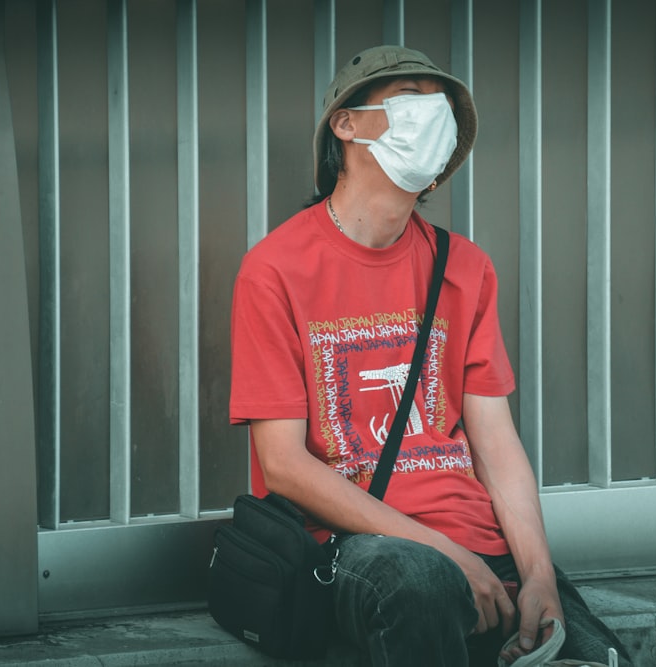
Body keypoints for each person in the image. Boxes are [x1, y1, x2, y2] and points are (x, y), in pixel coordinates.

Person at [229, 45, 630, 667]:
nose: (432, 114)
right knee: (420, 587)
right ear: (347, 123)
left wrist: (541, 576)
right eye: (408, 97)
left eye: (438, 103)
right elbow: (281, 466)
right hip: (357, 547)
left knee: (594, 653)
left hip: (480, 545)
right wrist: (443, 554)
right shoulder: (275, 269)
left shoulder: (465, 268)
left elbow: (496, 446)